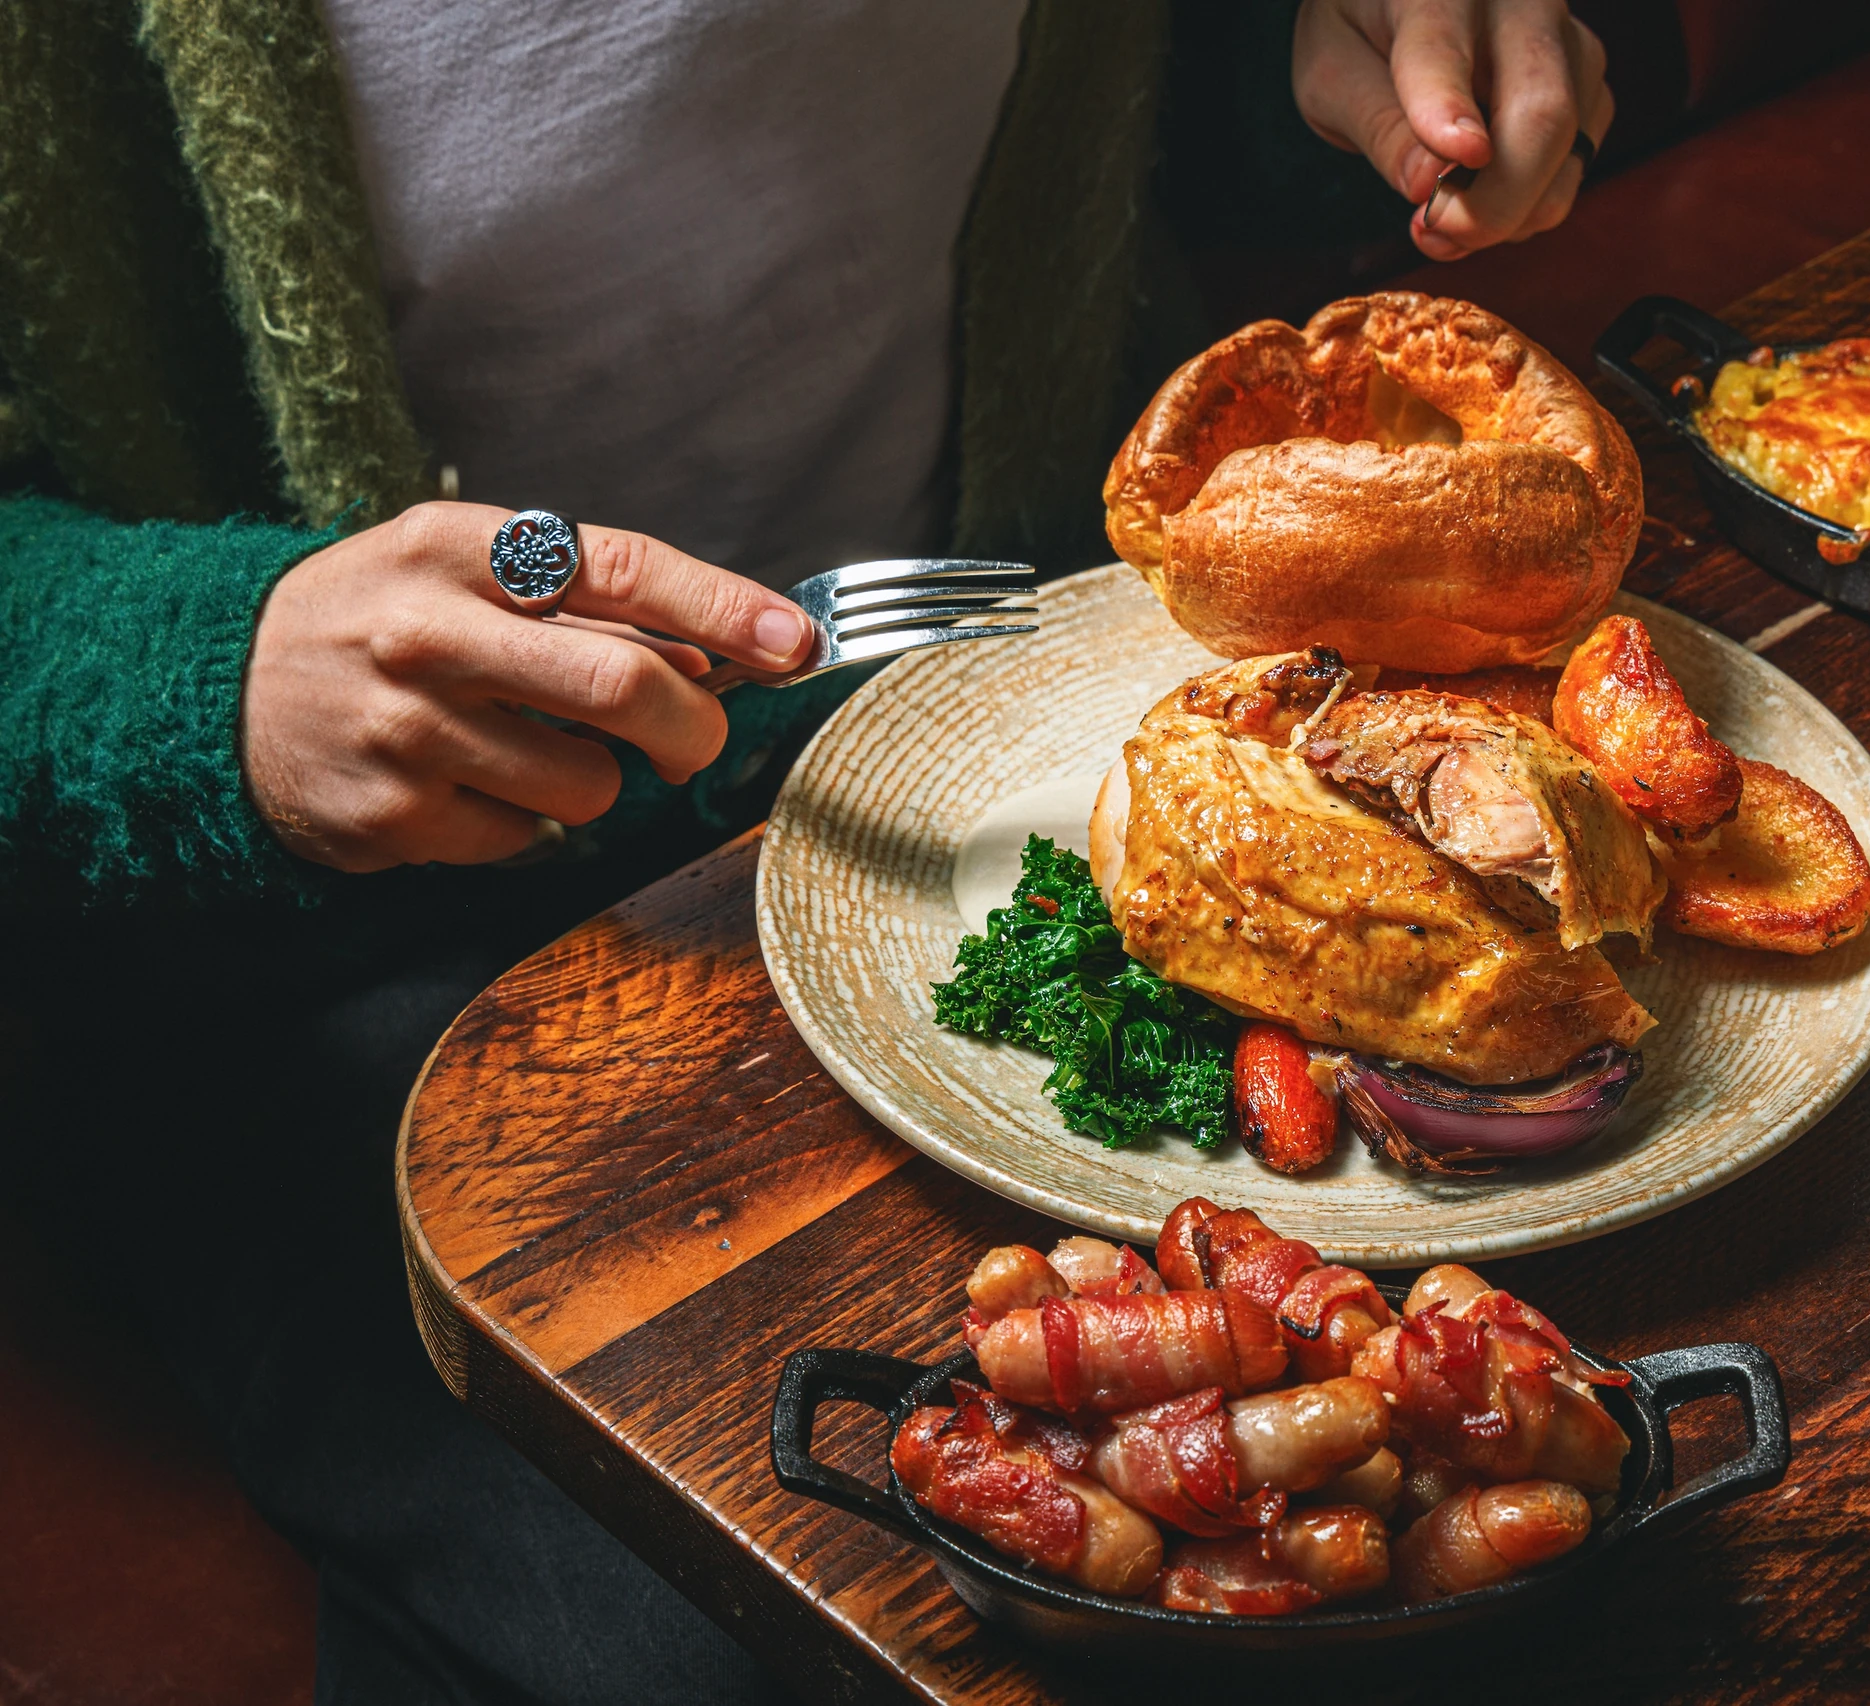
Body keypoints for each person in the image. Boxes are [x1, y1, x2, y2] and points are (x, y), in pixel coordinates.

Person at [0, 3, 1612, 1700]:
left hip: (1038, 735)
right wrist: (208, 673)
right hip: (357, 955)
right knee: (739, 1631)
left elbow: (1132, 103)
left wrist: (1346, 77)